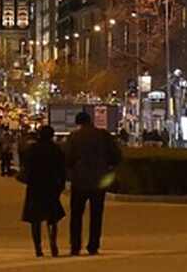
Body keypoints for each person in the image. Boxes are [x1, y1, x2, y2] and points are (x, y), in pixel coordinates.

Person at [63, 110, 121, 256]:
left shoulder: (74, 137)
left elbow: (68, 158)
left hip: (79, 181)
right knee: (96, 215)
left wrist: (71, 171)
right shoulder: (103, 136)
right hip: (99, 181)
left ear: (78, 123)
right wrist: (107, 167)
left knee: (76, 215)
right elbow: (116, 156)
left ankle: (75, 246)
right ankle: (93, 245)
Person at [20, 125, 66, 257]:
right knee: (52, 218)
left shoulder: (32, 149)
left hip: (35, 187)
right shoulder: (56, 149)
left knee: (35, 219)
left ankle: (38, 247)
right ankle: (53, 241)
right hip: (51, 186)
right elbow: (62, 169)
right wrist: (61, 185)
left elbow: (26, 167)